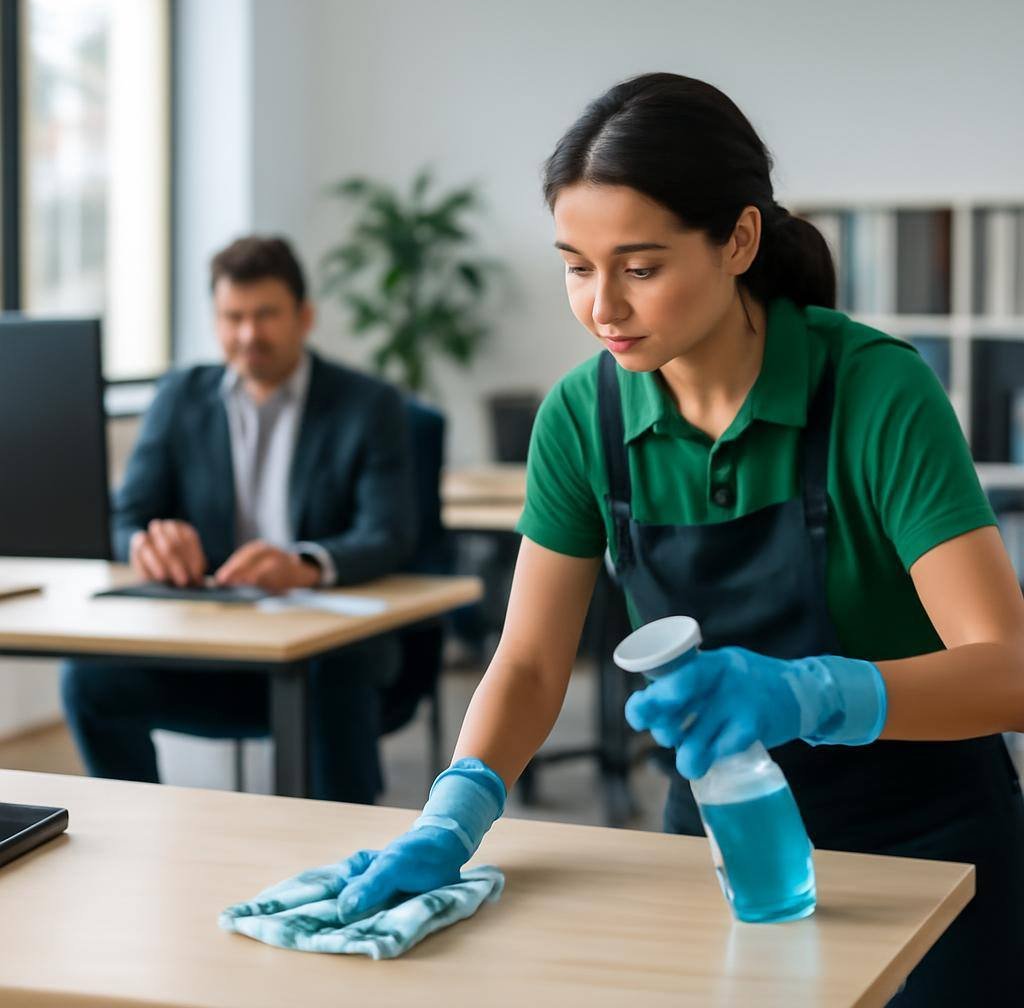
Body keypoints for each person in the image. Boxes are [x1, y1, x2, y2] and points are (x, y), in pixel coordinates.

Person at [246, 76, 1024, 1000]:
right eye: (578, 265)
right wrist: (449, 818)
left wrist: (811, 693)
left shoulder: (875, 393)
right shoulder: (583, 417)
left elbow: (1010, 671)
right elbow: (532, 664)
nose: (602, 306)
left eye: (640, 267)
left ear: (738, 241)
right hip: (721, 849)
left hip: (930, 855)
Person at [60, 235, 415, 804]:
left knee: (335, 671)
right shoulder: (180, 396)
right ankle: (135, 825)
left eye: (266, 315)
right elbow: (126, 517)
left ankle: (343, 854)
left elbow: (389, 534)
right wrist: (147, 544)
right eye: (233, 317)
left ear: (304, 317)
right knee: (90, 681)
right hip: (211, 642)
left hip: (325, 643)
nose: (249, 335)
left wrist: (304, 564)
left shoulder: (368, 404)